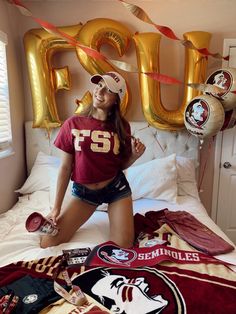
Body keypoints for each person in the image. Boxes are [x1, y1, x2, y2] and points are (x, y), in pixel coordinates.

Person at [40, 71, 146, 249]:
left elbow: (120, 165)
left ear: (116, 100)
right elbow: (65, 168)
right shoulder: (73, 123)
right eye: (99, 86)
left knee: (123, 248)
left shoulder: (122, 126)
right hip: (84, 194)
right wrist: (56, 208)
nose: (100, 92)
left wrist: (134, 156)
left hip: (116, 190)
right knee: (48, 243)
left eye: (108, 90)